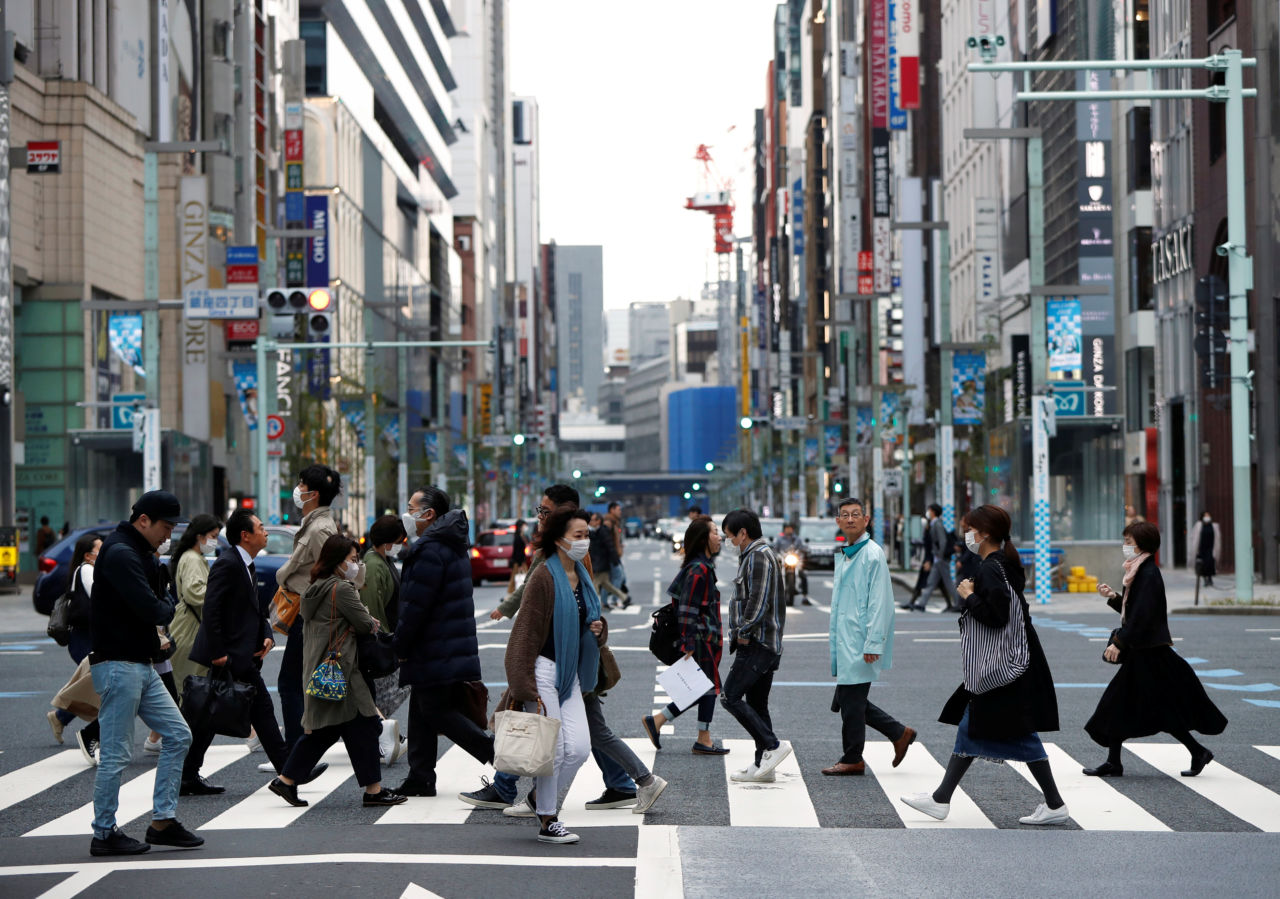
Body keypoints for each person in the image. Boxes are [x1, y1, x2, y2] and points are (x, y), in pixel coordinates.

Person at [466, 486, 641, 815]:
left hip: (575, 664)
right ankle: (541, 807)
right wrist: (506, 612)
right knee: (558, 735)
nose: (539, 517)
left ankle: (630, 781)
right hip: (548, 665)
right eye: (540, 511)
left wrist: (598, 630)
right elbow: (526, 627)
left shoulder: (577, 564)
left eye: (545, 512)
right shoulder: (548, 568)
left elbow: (589, 612)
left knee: (579, 740)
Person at [900, 504, 1069, 826]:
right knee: (977, 725)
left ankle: (943, 799)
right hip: (1016, 658)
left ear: (985, 532)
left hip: (1004, 665)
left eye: (969, 529)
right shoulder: (1004, 563)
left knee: (1002, 729)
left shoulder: (992, 567)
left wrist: (968, 596)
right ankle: (942, 798)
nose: (967, 535)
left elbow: (997, 616)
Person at [88, 490, 202, 856]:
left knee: (179, 734)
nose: (169, 535)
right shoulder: (121, 553)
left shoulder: (137, 552)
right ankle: (104, 833)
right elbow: (155, 608)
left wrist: (162, 595)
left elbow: (159, 600)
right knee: (117, 754)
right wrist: (165, 602)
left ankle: (163, 822)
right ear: (143, 521)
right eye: (165, 527)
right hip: (118, 665)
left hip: (139, 663)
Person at [184, 511, 326, 794]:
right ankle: (291, 771)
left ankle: (187, 774)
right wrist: (217, 652)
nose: (266, 532)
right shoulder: (227, 563)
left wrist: (265, 634)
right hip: (230, 654)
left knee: (212, 714)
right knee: (256, 711)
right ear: (245, 535)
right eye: (261, 528)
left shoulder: (245, 562)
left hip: (242, 652)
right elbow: (212, 609)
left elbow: (254, 609)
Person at [268, 535, 404, 808]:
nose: (356, 565)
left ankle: (286, 781)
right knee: (364, 725)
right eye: (352, 560)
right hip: (345, 669)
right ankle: (373, 792)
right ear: (337, 562)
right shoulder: (341, 589)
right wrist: (364, 620)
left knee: (331, 731)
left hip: (326, 667)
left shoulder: (315, 586)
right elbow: (365, 624)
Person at [1083, 521, 1227, 777]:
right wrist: (1114, 597)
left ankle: (1118, 761)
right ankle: (1196, 751)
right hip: (1145, 652)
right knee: (1153, 708)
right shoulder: (1138, 570)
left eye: (1128, 542)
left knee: (1119, 703)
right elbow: (1135, 611)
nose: (1125, 546)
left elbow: (1143, 616)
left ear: (1141, 544)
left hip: (1148, 653)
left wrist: (1119, 642)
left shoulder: (1148, 573)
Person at [503, 508, 605, 844]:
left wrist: (599, 629)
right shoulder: (544, 577)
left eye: (587, 534)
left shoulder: (583, 575)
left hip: (569, 673)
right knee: (554, 751)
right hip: (542, 672)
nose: (584, 541)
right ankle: (548, 818)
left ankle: (536, 799)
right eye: (578, 535)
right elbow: (524, 633)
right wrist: (525, 687)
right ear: (559, 539)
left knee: (578, 748)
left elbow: (589, 624)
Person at [392, 487, 495, 797]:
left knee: (436, 710)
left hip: (434, 645)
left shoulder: (429, 550)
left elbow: (415, 606)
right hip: (447, 643)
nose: (406, 514)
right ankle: (419, 776)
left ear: (428, 514)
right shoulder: (450, 545)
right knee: (422, 710)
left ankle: (494, 752)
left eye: (411, 508)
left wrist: (400, 644)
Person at [274, 465, 362, 759]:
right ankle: (301, 752)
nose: (297, 490)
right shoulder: (315, 524)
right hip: (310, 611)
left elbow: (338, 572)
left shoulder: (320, 528)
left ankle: (297, 754)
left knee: (293, 684)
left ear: (312, 493)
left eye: (300, 484)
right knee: (301, 683)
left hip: (313, 614)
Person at [824, 497, 915, 776]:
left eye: (856, 514)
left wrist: (874, 641)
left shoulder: (872, 554)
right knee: (849, 699)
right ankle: (899, 733)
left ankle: (853, 757)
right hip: (849, 639)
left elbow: (880, 603)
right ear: (838, 522)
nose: (850, 519)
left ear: (866, 520)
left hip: (861, 640)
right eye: (845, 515)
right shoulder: (850, 552)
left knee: (850, 702)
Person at [641, 515, 728, 755]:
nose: (719, 537)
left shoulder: (701, 567)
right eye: (714, 532)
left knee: (701, 687)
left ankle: (660, 721)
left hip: (703, 636)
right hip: (700, 637)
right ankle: (702, 738)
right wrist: (689, 642)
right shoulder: (698, 569)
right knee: (708, 687)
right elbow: (687, 608)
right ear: (703, 540)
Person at [720, 509, 790, 782]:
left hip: (758, 642)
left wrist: (743, 630)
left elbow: (757, 601)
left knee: (730, 697)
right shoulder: (756, 555)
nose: (728, 541)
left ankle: (773, 746)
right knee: (758, 704)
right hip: (765, 642)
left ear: (743, 533)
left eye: (729, 535)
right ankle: (763, 766)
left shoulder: (758, 556)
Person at [46, 534, 102, 763]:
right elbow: (98, 597)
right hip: (83, 639)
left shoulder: (88, 569)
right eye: (100, 548)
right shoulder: (87, 570)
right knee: (102, 687)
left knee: (96, 686)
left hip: (88, 638)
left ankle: (60, 717)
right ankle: (88, 732)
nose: (104, 551)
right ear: (88, 554)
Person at [360, 513, 411, 764]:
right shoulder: (373, 565)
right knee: (389, 688)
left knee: (384, 691)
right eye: (399, 540)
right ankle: (378, 730)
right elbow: (372, 608)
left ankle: (376, 731)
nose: (401, 545)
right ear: (388, 542)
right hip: (381, 641)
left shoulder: (382, 560)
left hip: (388, 637)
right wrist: (383, 639)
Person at [168, 515, 222, 708]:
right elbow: (194, 593)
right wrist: (221, 591)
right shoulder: (192, 558)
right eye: (213, 535)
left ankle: (157, 738)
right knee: (188, 686)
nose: (215, 540)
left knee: (185, 687)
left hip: (190, 625)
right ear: (200, 536)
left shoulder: (194, 557)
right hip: (190, 628)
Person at [909, 504, 960, 613]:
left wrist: (940, 555)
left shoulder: (937, 524)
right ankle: (921, 604)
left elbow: (943, 541)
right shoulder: (933, 524)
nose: (928, 512)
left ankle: (959, 603)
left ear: (933, 512)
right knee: (931, 582)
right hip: (937, 559)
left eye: (929, 510)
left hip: (941, 559)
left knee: (948, 583)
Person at [589, 512, 627, 608]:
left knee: (599, 584)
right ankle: (622, 598)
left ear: (598, 521)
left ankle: (598, 603)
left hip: (601, 562)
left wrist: (615, 560)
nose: (591, 522)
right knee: (606, 583)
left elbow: (610, 547)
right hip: (600, 562)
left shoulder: (601, 531)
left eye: (593, 520)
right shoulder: (597, 531)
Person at [773, 521, 811, 604]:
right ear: (784, 529)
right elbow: (775, 549)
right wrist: (777, 555)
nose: (789, 530)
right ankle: (772, 596)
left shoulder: (797, 539)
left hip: (795, 562)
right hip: (783, 561)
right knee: (773, 575)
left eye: (790, 528)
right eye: (787, 528)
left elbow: (802, 547)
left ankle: (805, 597)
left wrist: (805, 549)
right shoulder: (779, 539)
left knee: (803, 576)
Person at [1188, 512, 1221, 586]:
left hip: (1211, 548)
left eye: (1208, 515)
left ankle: (1210, 578)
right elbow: (1193, 536)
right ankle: (1205, 579)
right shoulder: (1199, 525)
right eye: (1205, 515)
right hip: (1201, 549)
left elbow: (1217, 538)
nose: (1207, 517)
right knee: (1202, 565)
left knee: (1210, 563)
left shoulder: (1214, 526)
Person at [606, 501, 630, 601]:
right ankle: (614, 600)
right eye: (618, 509)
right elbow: (606, 539)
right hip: (611, 555)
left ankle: (607, 601)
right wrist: (614, 549)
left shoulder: (615, 521)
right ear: (612, 510)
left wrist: (619, 545)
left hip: (614, 554)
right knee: (619, 576)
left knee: (607, 579)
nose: (620, 512)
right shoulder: (608, 522)